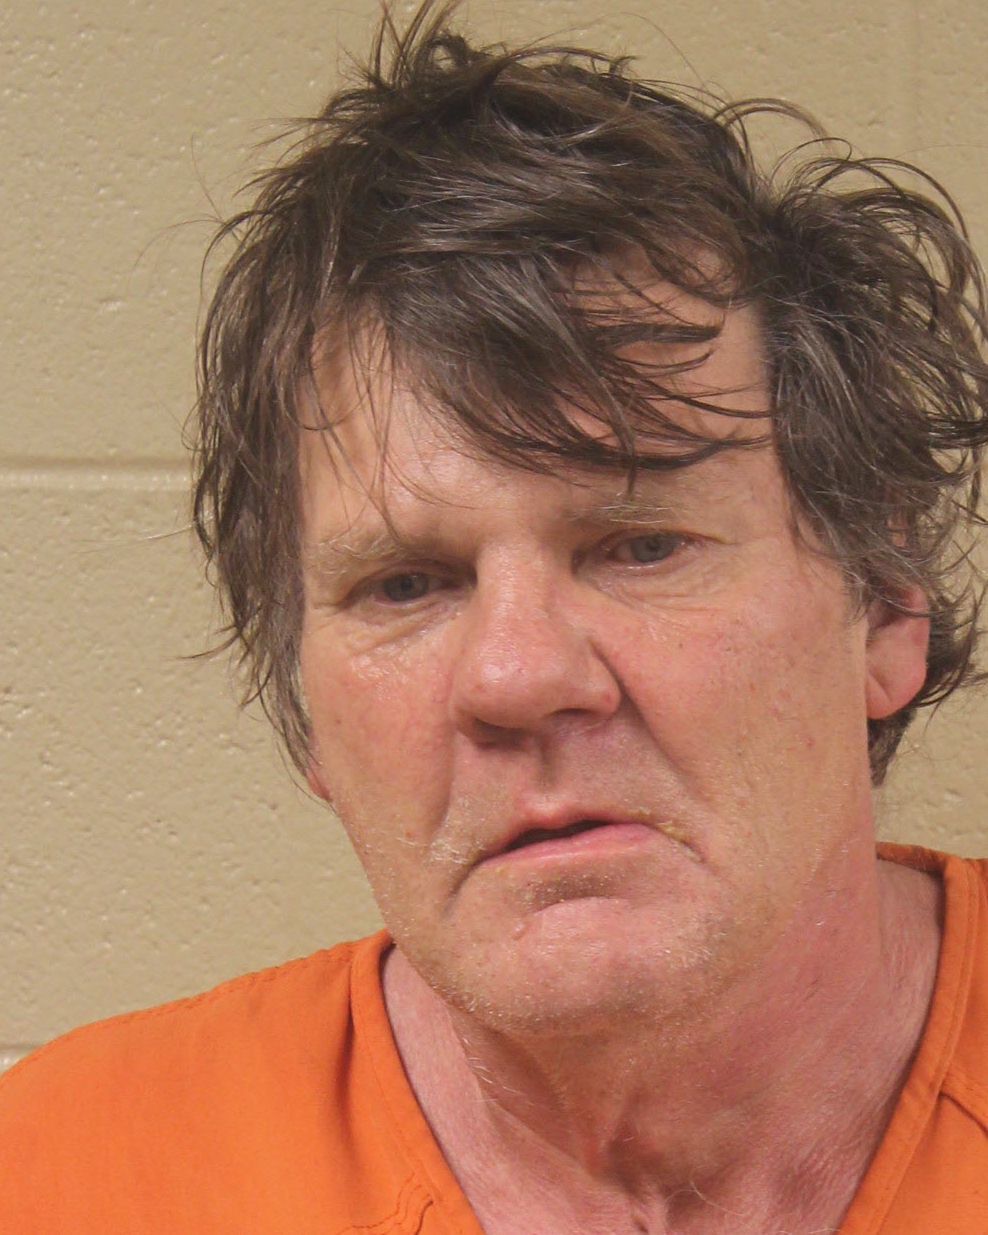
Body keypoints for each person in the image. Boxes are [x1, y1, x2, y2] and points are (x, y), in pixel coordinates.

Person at [3, 2, 988, 1231]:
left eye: (641, 544)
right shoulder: (62, 1175)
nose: (516, 676)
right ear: (307, 710)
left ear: (884, 604)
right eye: (405, 585)